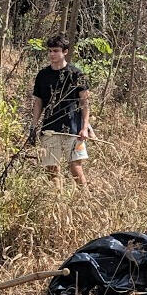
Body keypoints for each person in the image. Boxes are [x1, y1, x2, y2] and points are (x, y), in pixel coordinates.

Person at [29, 34, 91, 185]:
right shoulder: (42, 75)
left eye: (55, 50)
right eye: (50, 51)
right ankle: (57, 202)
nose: (52, 54)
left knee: (76, 167)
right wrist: (33, 125)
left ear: (65, 52)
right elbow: (38, 102)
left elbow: (85, 103)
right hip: (50, 130)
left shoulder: (76, 74)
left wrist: (84, 128)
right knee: (51, 169)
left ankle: (85, 200)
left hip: (73, 129)